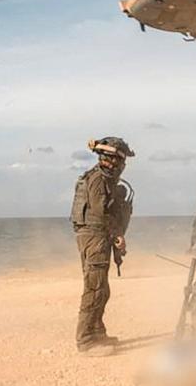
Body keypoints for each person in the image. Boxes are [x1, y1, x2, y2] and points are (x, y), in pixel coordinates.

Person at [69, 136, 135, 357]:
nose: (121, 166)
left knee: (102, 289)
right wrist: (117, 234)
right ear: (111, 159)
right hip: (95, 236)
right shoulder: (98, 179)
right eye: (120, 160)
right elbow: (100, 212)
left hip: (98, 235)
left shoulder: (104, 179)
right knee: (95, 288)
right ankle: (86, 341)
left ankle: (97, 332)